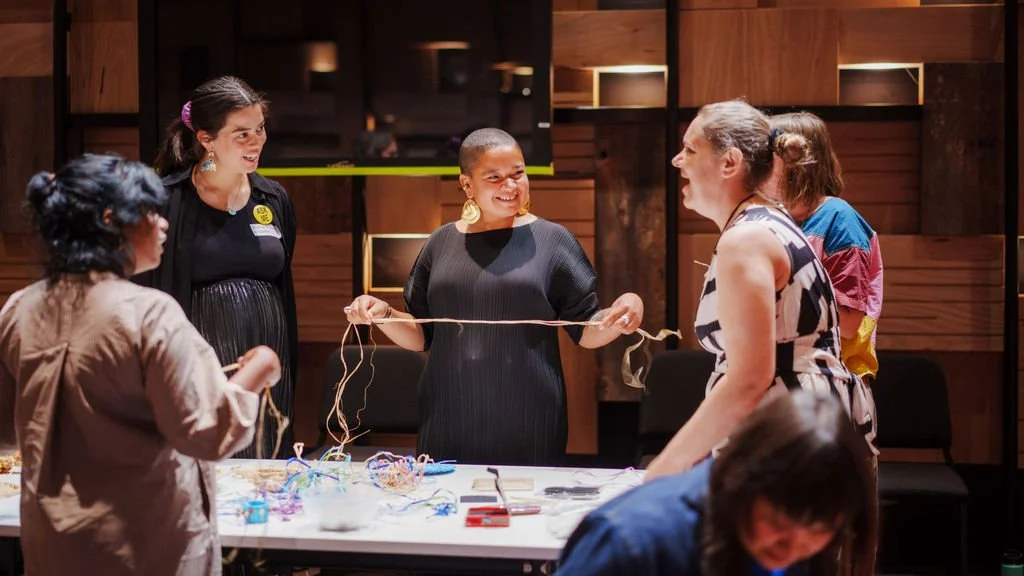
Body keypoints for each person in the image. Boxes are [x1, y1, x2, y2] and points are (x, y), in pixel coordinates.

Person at [0, 154, 281, 576]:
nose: (163, 223)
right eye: (149, 212)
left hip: (53, 542)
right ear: (110, 221)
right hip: (143, 544)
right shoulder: (148, 313)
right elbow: (205, 434)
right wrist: (260, 368)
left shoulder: (19, 308)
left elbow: (6, 430)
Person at [346, 128, 644, 467]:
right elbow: (421, 336)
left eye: (518, 173)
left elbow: (586, 330)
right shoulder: (440, 243)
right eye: (495, 177)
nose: (510, 186)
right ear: (467, 184)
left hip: (530, 416)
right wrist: (383, 314)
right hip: (447, 414)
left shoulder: (553, 240)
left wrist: (625, 309)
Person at [644, 100, 875, 481]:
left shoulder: (747, 238)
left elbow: (750, 378)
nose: (677, 160)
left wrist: (662, 473)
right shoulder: (764, 223)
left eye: (690, 149)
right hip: (801, 425)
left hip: (787, 434)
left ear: (729, 162)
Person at [138, 75, 298, 459]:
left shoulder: (273, 198)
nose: (256, 141)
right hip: (199, 359)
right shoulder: (167, 201)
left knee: (267, 464)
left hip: (270, 355)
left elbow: (282, 277)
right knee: (208, 456)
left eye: (260, 129)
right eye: (241, 134)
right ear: (207, 139)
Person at [556, 390, 877, 576]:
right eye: (777, 523)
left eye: (819, 531)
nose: (793, 548)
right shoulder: (630, 540)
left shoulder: (802, 548)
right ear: (739, 477)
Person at [767, 111, 882, 576]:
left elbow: (850, 322)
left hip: (831, 390)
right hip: (784, 392)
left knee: (828, 539)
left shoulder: (838, 219)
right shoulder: (777, 219)